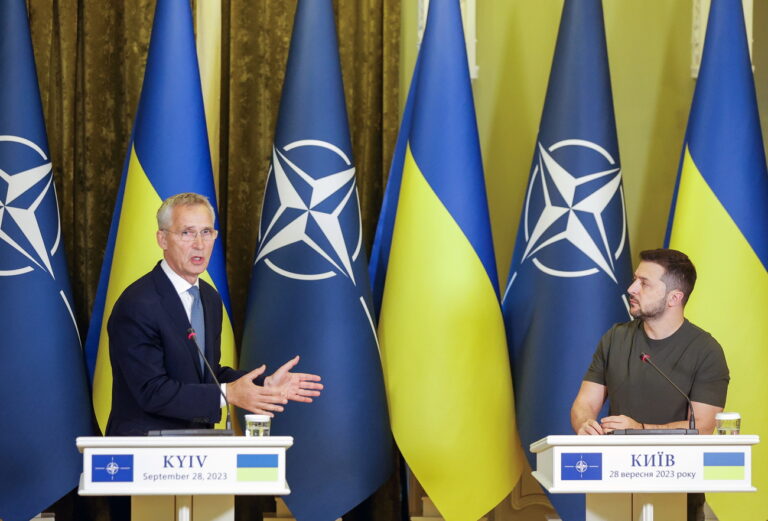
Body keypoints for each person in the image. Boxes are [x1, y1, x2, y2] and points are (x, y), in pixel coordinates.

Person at [106, 192, 323, 436]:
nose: (199, 244)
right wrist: (228, 393)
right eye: (187, 233)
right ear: (163, 239)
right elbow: (152, 391)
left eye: (206, 232)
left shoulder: (209, 297)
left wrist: (263, 384)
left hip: (199, 446)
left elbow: (207, 372)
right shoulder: (138, 303)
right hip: (144, 450)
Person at [570, 248, 729, 521]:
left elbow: (701, 427)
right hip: (613, 486)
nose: (631, 288)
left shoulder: (706, 350)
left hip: (678, 490)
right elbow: (584, 403)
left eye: (644, 283)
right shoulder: (615, 339)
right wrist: (585, 422)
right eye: (635, 279)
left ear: (674, 298)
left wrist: (639, 430)